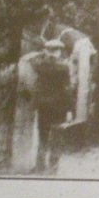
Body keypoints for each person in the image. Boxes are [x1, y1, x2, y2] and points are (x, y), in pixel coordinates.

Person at [28, 39, 71, 172]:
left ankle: (40, 167)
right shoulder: (64, 67)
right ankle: (53, 168)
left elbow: (32, 59)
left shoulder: (40, 66)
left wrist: (43, 54)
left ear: (47, 51)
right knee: (57, 137)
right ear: (59, 51)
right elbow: (66, 89)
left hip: (43, 106)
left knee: (43, 136)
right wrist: (70, 110)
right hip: (59, 107)